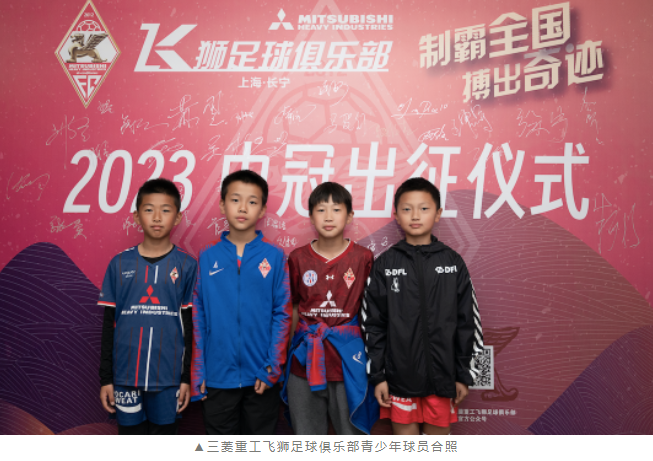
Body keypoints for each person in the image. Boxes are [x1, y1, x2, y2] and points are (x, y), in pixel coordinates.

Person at [362, 177, 484, 435]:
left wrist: (464, 375)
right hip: (399, 380)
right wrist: (378, 376)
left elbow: (468, 323)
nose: (415, 215)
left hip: (443, 379)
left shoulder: (453, 262)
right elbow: (373, 324)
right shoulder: (385, 264)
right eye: (407, 209)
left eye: (424, 208)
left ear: (438, 214)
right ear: (396, 215)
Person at [191, 169, 292, 435]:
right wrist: (199, 370)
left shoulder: (275, 255)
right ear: (222, 204)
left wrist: (272, 366)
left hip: (261, 375)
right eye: (235, 200)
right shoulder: (207, 254)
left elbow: (282, 314)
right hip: (217, 377)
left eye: (252, 201)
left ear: (262, 210)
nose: (243, 207)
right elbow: (199, 315)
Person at [98, 178, 197, 435]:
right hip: (125, 376)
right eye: (149, 209)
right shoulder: (119, 264)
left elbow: (189, 326)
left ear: (177, 217)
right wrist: (106, 378)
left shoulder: (187, 265)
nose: (157, 217)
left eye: (165, 210)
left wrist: (185, 378)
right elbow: (109, 324)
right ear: (136, 216)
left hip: (168, 377)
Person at [281, 182, 379, 435]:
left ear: (349, 215)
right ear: (311, 216)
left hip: (349, 360)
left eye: (336, 209)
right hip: (305, 359)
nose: (328, 216)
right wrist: (289, 350)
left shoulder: (363, 257)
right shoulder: (298, 258)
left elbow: (372, 312)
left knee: (351, 436)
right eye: (321, 210)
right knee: (307, 437)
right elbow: (292, 307)